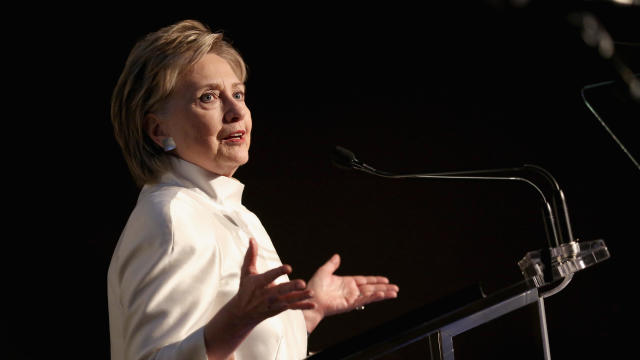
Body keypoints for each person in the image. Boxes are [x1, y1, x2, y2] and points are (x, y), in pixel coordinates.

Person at [107, 19, 399, 360]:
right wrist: (238, 318)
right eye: (209, 97)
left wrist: (306, 313)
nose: (236, 112)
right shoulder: (172, 218)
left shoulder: (228, 211)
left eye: (238, 93)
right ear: (158, 130)